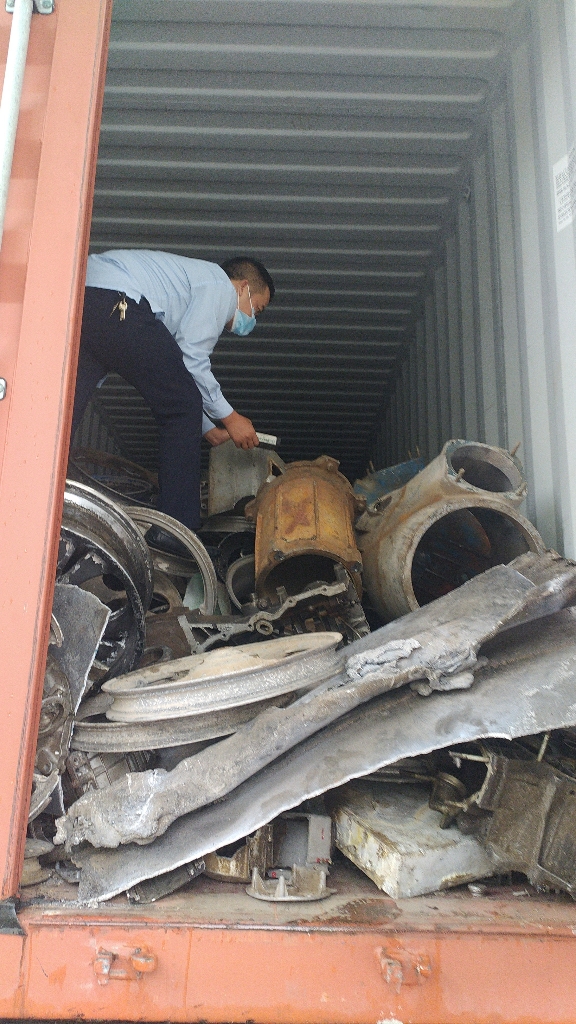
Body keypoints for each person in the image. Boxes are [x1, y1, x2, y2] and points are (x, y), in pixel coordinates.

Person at [71, 250, 274, 552]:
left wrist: (206, 428)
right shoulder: (220, 285)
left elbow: (171, 372)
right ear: (243, 286)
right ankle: (176, 528)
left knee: (66, 406)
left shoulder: (188, 287)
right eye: (256, 308)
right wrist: (230, 417)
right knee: (182, 405)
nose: (252, 319)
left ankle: (43, 490)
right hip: (121, 299)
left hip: (87, 296)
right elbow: (192, 360)